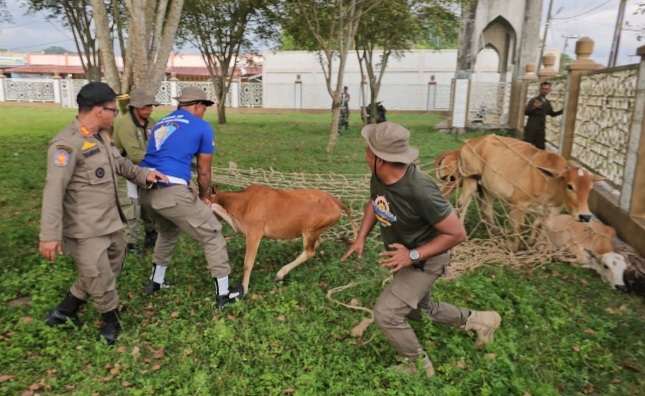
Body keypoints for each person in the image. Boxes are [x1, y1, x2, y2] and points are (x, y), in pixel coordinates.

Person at [341, 122, 502, 377]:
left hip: (427, 259)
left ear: (380, 159)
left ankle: (417, 365)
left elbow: (457, 233)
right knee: (422, 308)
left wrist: (412, 255)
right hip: (407, 257)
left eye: (368, 148)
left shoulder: (421, 191)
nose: (365, 151)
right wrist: (361, 236)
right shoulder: (380, 175)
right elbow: (376, 202)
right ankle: (481, 320)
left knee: (387, 313)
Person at [39, 82, 169, 345]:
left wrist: (144, 174)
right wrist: (49, 235)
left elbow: (120, 163)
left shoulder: (101, 136)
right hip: (85, 228)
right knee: (99, 276)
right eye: (113, 109)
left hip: (110, 221)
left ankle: (65, 311)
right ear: (99, 110)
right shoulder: (66, 145)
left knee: (110, 268)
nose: (116, 115)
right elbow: (54, 190)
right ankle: (110, 319)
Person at [138, 87, 244, 308]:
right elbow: (204, 172)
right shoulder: (201, 127)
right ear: (197, 105)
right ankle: (224, 295)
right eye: (204, 107)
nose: (204, 112)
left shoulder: (162, 122)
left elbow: (165, 156)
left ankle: (155, 282)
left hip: (146, 191)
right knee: (212, 233)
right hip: (172, 193)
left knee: (167, 231)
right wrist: (204, 196)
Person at [113, 88, 160, 254]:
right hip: (125, 172)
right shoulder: (125, 125)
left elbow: (158, 143)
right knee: (131, 209)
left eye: (151, 106)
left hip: (145, 171)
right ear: (135, 107)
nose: (149, 109)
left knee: (148, 205)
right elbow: (133, 155)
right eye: (146, 107)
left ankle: (151, 236)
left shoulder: (151, 123)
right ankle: (130, 246)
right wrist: (160, 162)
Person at [523, 81, 563, 150]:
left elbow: (552, 114)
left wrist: (563, 111)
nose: (544, 91)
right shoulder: (534, 100)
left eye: (546, 89)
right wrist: (534, 107)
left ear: (549, 90)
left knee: (541, 149)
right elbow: (526, 112)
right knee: (526, 148)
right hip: (531, 128)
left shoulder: (547, 102)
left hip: (541, 129)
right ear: (540, 89)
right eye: (543, 89)